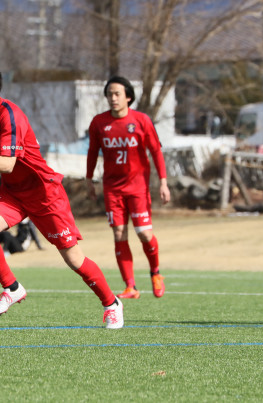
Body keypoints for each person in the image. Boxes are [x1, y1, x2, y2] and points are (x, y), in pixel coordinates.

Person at [0, 61, 123, 329]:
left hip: (44, 193)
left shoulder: (10, 116)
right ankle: (12, 288)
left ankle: (112, 304)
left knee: (74, 259)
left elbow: (7, 163)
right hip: (14, 192)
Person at [86, 76, 170, 300]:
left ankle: (155, 273)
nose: (112, 98)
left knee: (143, 233)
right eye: (109, 94)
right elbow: (93, 152)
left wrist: (163, 181)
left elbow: (156, 152)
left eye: (117, 94)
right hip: (112, 188)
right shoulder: (98, 123)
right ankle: (130, 286)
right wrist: (89, 180)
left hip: (138, 187)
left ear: (128, 97)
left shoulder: (141, 120)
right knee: (119, 233)